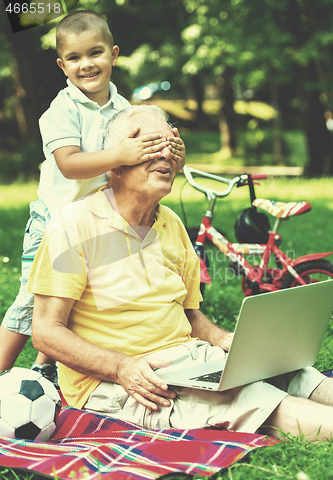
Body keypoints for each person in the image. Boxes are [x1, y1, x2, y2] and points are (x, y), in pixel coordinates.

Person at [28, 105, 333, 441]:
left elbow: (190, 315)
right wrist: (121, 367)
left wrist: (225, 340)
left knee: (293, 372)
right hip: (124, 381)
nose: (165, 156)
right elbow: (45, 331)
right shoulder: (72, 224)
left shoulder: (171, 222)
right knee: (252, 400)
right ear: (115, 164)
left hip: (192, 362)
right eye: (149, 146)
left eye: (170, 147)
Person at [0, 11, 184, 386]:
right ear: (61, 65)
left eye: (95, 53)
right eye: (74, 57)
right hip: (54, 220)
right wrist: (122, 154)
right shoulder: (61, 111)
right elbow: (69, 164)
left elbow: (144, 158)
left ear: (114, 54)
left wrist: (172, 151)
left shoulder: (125, 110)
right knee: (32, 301)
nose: (86, 64)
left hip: (99, 220)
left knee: (76, 296)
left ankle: (45, 368)